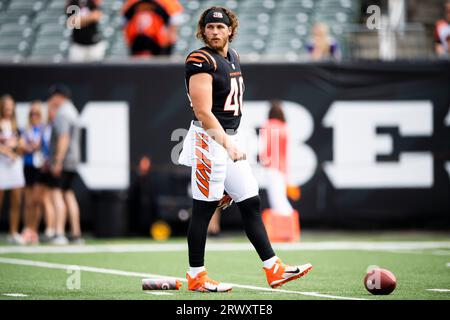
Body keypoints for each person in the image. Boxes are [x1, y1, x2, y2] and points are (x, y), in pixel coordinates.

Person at [177, 6, 312, 293]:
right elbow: (202, 111)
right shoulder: (200, 59)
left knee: (250, 201)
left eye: (220, 27)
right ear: (203, 31)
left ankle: (273, 267)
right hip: (208, 140)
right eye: (210, 28)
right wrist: (227, 144)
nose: (215, 32)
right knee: (203, 210)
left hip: (227, 141)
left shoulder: (234, 57)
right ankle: (196, 276)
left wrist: (230, 144)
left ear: (230, 30)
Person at [47, 84, 83, 245]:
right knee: (68, 194)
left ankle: (59, 232)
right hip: (73, 159)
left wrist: (57, 161)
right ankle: (76, 233)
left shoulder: (62, 113)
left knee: (56, 193)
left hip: (64, 159)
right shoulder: (73, 111)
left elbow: (64, 138)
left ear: (59, 96)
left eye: (53, 96)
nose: (51, 99)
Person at [259, 101, 294, 216]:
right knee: (281, 198)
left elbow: (265, 147)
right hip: (282, 168)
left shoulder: (267, 125)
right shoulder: (284, 127)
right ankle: (289, 224)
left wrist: (263, 160)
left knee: (277, 201)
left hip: (272, 167)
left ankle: (288, 225)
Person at [0, 95, 26, 245]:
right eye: (6, 107)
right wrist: (6, 149)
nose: (9, 110)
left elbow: (22, 145)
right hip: (1, 165)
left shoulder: (16, 126)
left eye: (11, 107)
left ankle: (13, 231)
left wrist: (17, 147)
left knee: (16, 200)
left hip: (15, 166)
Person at [21, 101, 45, 245]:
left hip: (39, 167)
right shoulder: (26, 129)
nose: (34, 116)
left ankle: (34, 230)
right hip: (27, 165)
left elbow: (44, 146)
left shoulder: (43, 129)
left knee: (36, 201)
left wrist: (37, 145)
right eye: (32, 113)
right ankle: (27, 229)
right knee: (28, 201)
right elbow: (22, 146)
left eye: (37, 113)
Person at [35, 103, 57, 243]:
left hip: (49, 167)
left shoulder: (54, 127)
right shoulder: (45, 127)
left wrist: (48, 162)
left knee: (48, 199)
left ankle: (51, 229)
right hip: (44, 166)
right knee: (41, 199)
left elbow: (52, 147)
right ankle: (45, 229)